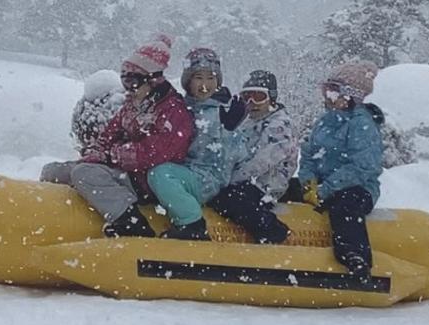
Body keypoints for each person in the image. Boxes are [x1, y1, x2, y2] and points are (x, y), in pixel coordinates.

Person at [40, 35, 193, 236]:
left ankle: (132, 223)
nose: (128, 88)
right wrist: (95, 152)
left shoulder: (173, 111)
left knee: (84, 174)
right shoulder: (134, 105)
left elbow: (154, 153)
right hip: (125, 172)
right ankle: (45, 219)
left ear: (153, 80)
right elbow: (109, 135)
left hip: (149, 181)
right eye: (125, 81)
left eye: (134, 81)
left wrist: (109, 157)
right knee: (54, 171)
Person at [296, 60, 384, 285]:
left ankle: (355, 258)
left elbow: (363, 167)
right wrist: (309, 184)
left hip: (355, 188)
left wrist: (326, 189)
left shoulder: (362, 124)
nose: (327, 96)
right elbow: (308, 154)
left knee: (346, 206)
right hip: (322, 185)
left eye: (333, 91)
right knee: (284, 190)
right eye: (326, 90)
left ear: (349, 96)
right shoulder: (325, 121)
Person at [147, 46, 248, 241]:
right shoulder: (184, 108)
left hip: (207, 180)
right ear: (188, 82)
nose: (205, 84)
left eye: (211, 78)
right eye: (199, 78)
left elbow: (237, 155)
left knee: (160, 173)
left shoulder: (224, 112)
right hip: (186, 173)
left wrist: (229, 131)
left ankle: (191, 222)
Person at [208, 70, 297, 244]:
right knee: (218, 196)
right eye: (246, 97)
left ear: (271, 98)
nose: (252, 103)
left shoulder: (279, 125)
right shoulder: (249, 122)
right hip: (247, 179)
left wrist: (233, 179)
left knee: (232, 200)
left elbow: (264, 160)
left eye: (258, 97)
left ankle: (274, 232)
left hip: (268, 183)